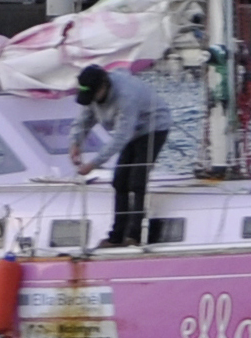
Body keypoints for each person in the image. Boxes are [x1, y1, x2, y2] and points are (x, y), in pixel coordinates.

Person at [69, 63, 173, 249]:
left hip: (153, 126)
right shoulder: (93, 95)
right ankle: (116, 236)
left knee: (137, 180)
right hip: (131, 132)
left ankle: (134, 235)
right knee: (119, 182)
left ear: (103, 86)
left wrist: (93, 164)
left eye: (93, 96)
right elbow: (84, 119)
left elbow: (121, 137)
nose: (91, 100)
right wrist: (75, 143)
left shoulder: (126, 96)